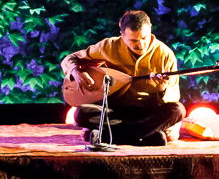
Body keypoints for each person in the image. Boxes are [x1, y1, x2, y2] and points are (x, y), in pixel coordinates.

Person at [59, 9, 183, 145]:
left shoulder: (165, 54)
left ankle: (105, 135)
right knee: (80, 113)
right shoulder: (108, 46)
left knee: (177, 110)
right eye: (133, 40)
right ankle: (148, 137)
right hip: (114, 110)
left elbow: (173, 96)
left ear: (150, 30)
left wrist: (162, 87)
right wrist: (76, 71)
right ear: (122, 35)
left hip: (147, 111)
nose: (140, 44)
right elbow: (70, 59)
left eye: (144, 38)